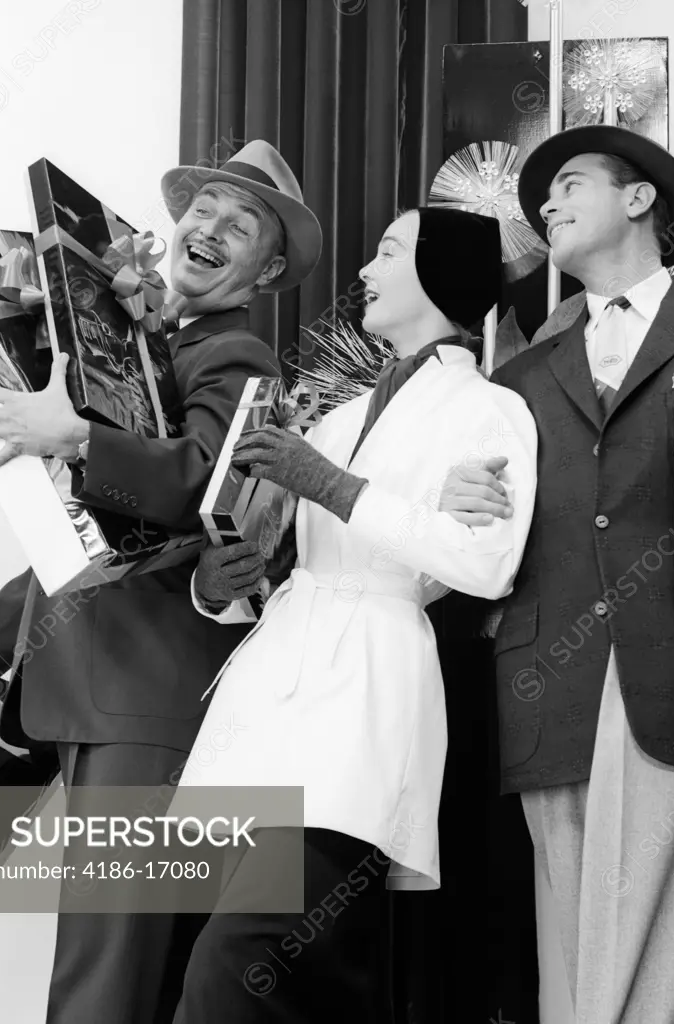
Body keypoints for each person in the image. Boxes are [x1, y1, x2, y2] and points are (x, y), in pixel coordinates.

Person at [0, 140, 323, 1024]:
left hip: (146, 706)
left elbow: (203, 478)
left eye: (241, 223)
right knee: (86, 958)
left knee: (109, 980)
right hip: (65, 690)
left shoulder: (238, 352)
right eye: (202, 211)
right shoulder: (144, 343)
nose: (210, 228)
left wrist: (74, 440)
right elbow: (85, 547)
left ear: (271, 265)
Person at [444, 124, 674, 1024]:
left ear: (640, 197)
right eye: (541, 198)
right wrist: (459, 496)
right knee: (573, 961)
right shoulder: (518, 375)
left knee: (654, 950)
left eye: (569, 183)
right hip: (546, 687)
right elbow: (493, 534)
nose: (546, 204)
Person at [169, 207, 539, 1024]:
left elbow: (484, 562)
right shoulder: (335, 420)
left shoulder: (488, 410)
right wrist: (223, 584)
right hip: (266, 706)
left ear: (440, 276)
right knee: (302, 978)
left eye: (387, 252)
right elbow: (291, 568)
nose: (364, 271)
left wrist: (330, 485)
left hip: (362, 703)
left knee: (243, 964)